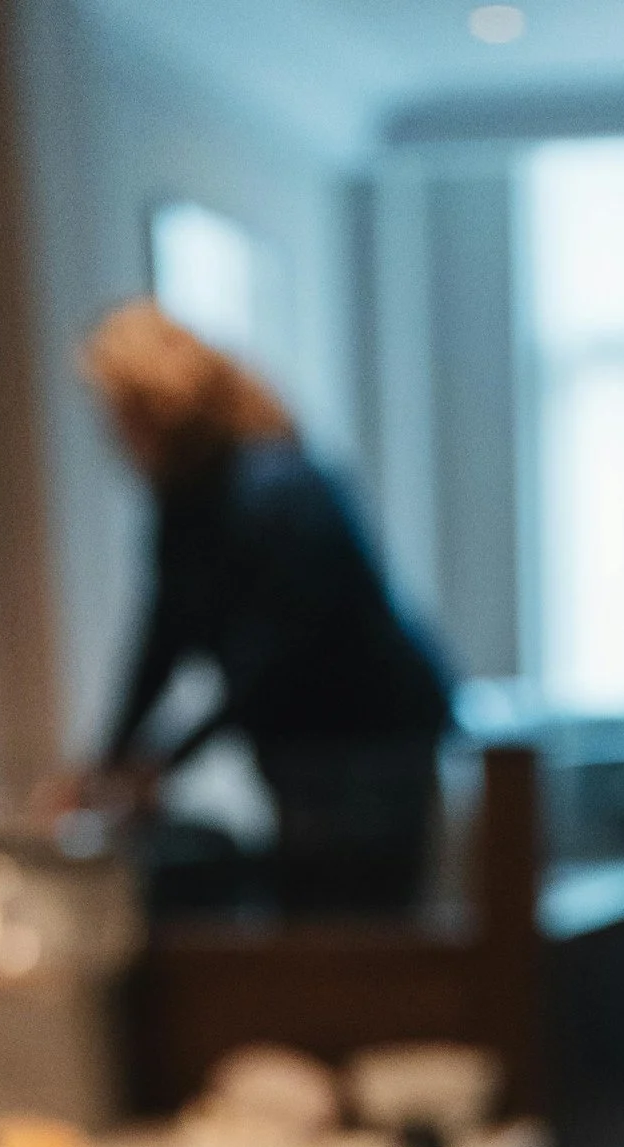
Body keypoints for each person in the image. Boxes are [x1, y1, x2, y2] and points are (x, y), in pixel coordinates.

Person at [69, 304, 452, 915]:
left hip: (367, 736)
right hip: (303, 746)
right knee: (316, 918)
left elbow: (277, 653)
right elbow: (162, 640)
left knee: (355, 930)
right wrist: (110, 762)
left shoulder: (277, 488)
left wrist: (164, 761)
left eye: (119, 416)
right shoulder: (184, 506)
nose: (112, 436)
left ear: (156, 409)